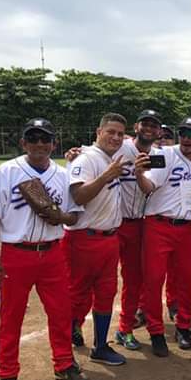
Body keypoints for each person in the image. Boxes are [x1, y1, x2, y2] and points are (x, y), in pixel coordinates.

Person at [0, 118, 89, 380]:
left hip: (53, 252)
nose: (39, 144)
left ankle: (64, 364)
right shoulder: (8, 171)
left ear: (54, 143)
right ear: (23, 143)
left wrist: (60, 217)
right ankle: (7, 373)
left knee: (60, 312)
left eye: (45, 139)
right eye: (33, 138)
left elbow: (75, 214)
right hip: (17, 254)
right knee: (11, 316)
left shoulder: (63, 174)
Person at [136, 117, 191, 353]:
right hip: (159, 224)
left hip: (187, 227)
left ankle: (183, 326)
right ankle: (156, 331)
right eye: (183, 133)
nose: (187, 139)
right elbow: (148, 187)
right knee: (154, 279)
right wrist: (139, 175)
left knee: (187, 279)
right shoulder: (166, 154)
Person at [66, 113, 126, 366]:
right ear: (98, 132)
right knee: (77, 294)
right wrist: (106, 176)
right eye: (110, 132)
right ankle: (68, 337)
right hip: (84, 238)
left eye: (120, 134)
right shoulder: (87, 158)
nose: (115, 137)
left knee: (106, 293)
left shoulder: (112, 157)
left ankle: (100, 346)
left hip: (110, 238)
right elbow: (78, 196)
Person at [110, 109, 164, 351]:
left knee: (133, 279)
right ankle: (76, 325)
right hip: (111, 224)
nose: (149, 129)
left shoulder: (160, 156)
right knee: (101, 279)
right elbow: (94, 154)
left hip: (139, 224)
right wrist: (74, 155)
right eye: (145, 124)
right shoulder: (119, 148)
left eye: (154, 125)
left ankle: (125, 329)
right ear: (136, 126)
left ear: (159, 131)